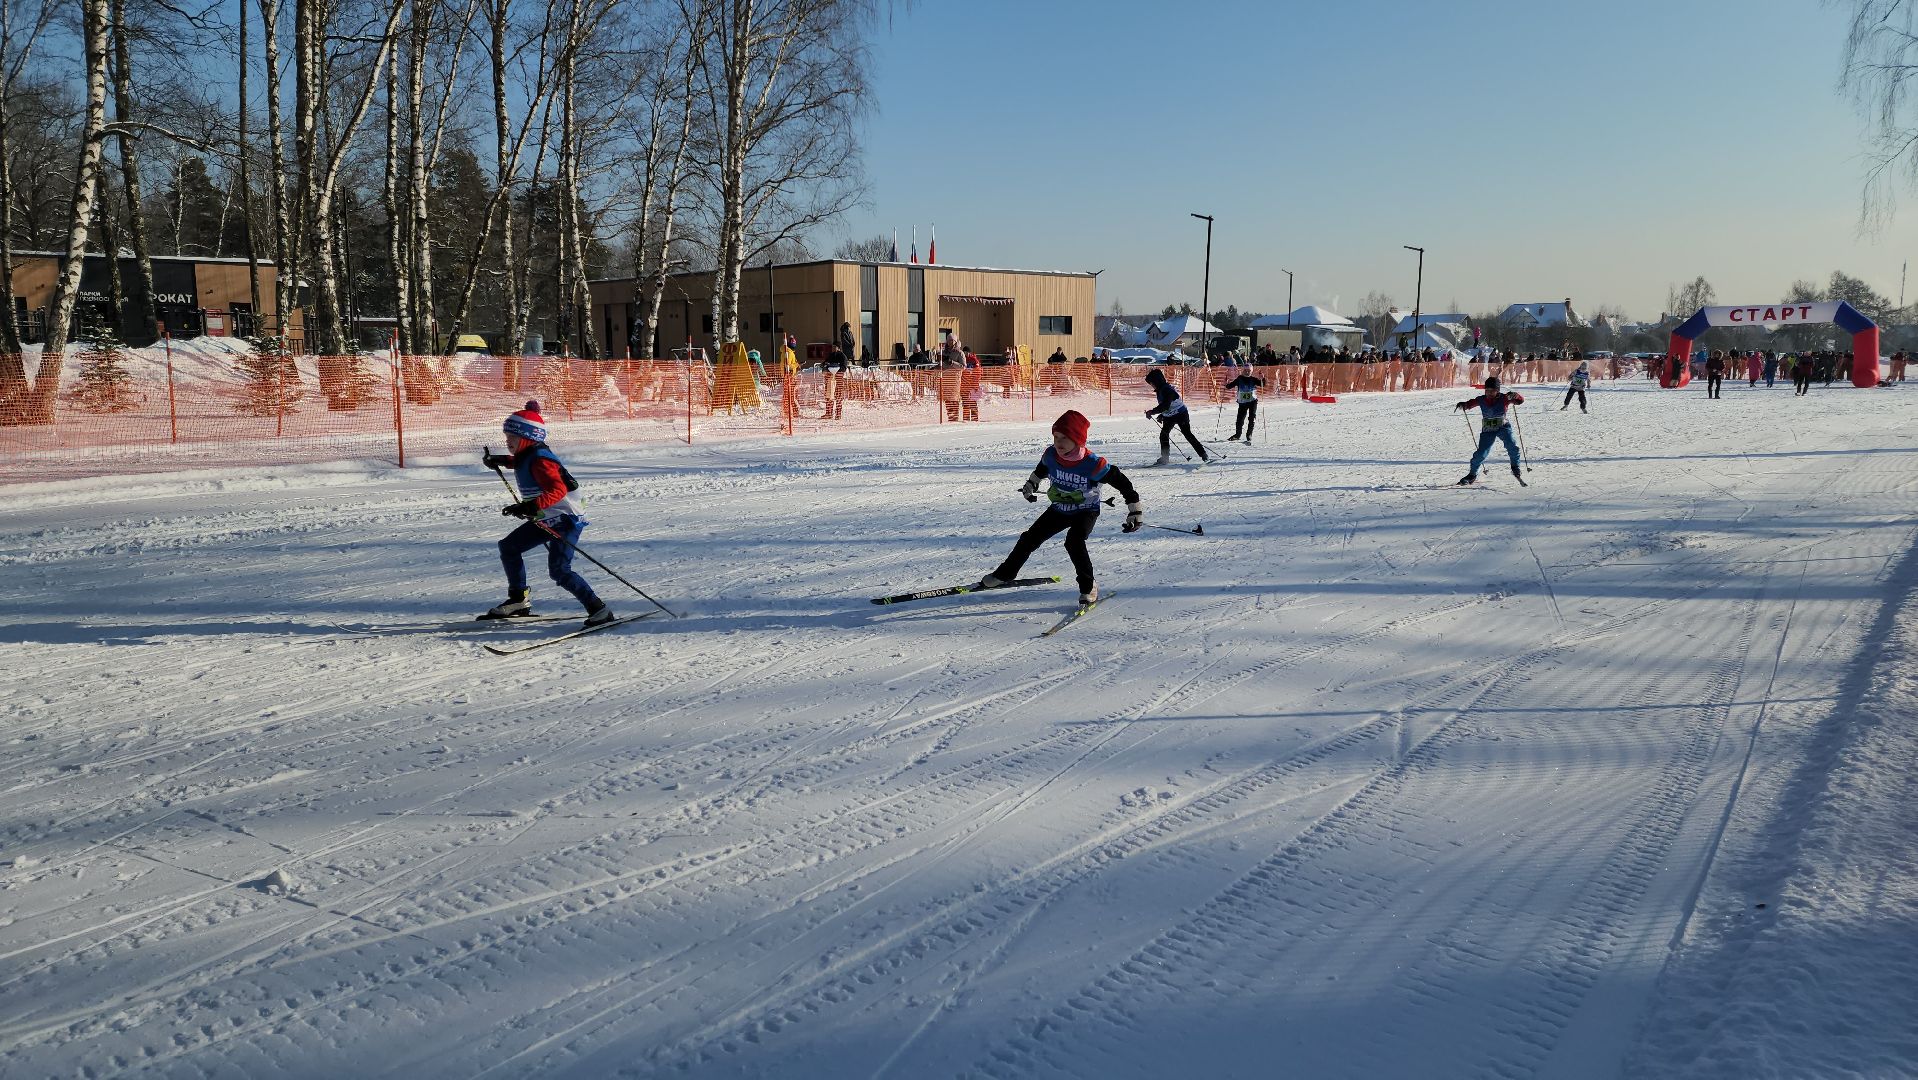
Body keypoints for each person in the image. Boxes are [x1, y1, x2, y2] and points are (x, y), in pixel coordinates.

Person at [978, 410, 1142, 606]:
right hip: (1059, 508)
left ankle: (1088, 586)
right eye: (1056, 437)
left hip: (1085, 510)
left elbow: (1122, 483)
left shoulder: (1093, 464)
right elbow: (1042, 468)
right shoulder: (1051, 455)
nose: (1058, 442)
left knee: (1074, 541)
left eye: (1065, 438)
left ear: (1078, 440)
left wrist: (1134, 510)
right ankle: (1005, 574)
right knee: (1029, 538)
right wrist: (1031, 484)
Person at [479, 402, 613, 625]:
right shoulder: (528, 453)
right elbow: (521, 461)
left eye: (512, 437)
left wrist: (530, 506)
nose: (507, 441)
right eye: (506, 436)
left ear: (527, 437)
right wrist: (501, 460)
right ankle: (518, 600)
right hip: (549, 517)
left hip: (566, 519)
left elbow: (557, 490)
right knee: (509, 547)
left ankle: (599, 610)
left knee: (560, 570)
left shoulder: (541, 460)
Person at [1453, 376, 1525, 485]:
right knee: (1481, 453)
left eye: (1492, 391)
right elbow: (1470, 404)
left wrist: (1515, 395)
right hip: (1488, 429)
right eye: (1487, 390)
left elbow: (1520, 401)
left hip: (1503, 427)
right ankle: (1472, 474)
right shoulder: (1481, 399)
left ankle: (1515, 467)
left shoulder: (1505, 398)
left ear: (1498, 391)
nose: (1489, 393)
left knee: (1512, 446)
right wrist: (1464, 405)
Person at [1143, 367, 1210, 464]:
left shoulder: (1167, 390)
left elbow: (1165, 405)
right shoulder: (1160, 389)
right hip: (1170, 416)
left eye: (1152, 383)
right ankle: (1165, 458)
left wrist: (1152, 412)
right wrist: (1162, 415)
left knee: (1187, 434)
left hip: (1181, 414)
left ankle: (1204, 455)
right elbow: (1167, 406)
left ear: (1157, 381)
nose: (1151, 385)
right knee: (1164, 435)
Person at [1225, 368, 1265, 441]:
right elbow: (1229, 386)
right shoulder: (1239, 379)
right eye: (1245, 370)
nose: (1247, 372)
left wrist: (1262, 378)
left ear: (1251, 371)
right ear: (1243, 371)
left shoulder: (1253, 379)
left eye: (1249, 371)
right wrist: (1227, 383)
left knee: (1252, 418)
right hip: (1242, 402)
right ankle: (1237, 435)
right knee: (1240, 419)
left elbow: (1262, 384)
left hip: (1252, 401)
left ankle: (1249, 434)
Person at [822, 348, 849, 419]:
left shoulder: (842, 356)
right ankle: (828, 413)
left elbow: (844, 367)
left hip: (838, 380)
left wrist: (837, 370)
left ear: (839, 348)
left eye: (836, 347)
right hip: (829, 380)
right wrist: (825, 367)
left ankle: (838, 414)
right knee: (828, 396)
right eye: (833, 346)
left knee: (838, 396)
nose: (834, 348)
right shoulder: (831, 355)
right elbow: (825, 363)